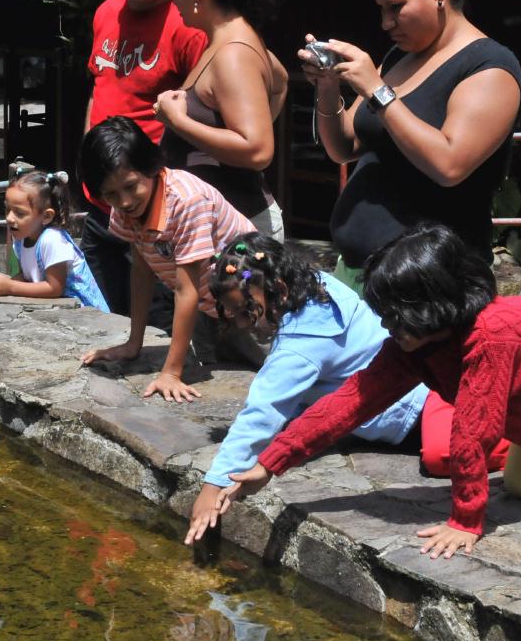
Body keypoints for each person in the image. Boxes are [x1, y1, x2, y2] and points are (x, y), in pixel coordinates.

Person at [219, 224, 521, 561]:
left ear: (434, 306)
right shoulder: (413, 341)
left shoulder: (492, 334)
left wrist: (466, 520)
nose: (385, 325)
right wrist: (268, 464)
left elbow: (472, 432)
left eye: (394, 314)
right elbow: (349, 401)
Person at [301, 0, 521, 280]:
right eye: (381, 9)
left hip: (429, 287)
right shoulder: (398, 57)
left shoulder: (491, 67)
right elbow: (343, 148)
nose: (385, 23)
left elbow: (449, 165)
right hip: (363, 273)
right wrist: (328, 88)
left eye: (396, 8)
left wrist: (377, 90)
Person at [183, 232, 431, 546]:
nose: (243, 324)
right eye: (232, 313)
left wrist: (212, 486)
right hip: (413, 388)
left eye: (247, 310)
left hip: (409, 418)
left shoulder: (301, 344)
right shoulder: (317, 285)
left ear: (279, 289)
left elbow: (262, 412)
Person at [82, 0, 208, 315]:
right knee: (103, 315)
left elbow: (207, 103)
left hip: (151, 207)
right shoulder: (105, 12)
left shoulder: (186, 24)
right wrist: (88, 158)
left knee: (156, 322)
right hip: (101, 202)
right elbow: (98, 88)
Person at [79, 116, 258, 403]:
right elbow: (141, 270)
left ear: (150, 167)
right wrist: (133, 343)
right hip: (208, 307)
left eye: (131, 186)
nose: (124, 201)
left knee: (271, 372)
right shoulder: (125, 209)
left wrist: (171, 373)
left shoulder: (187, 201)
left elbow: (185, 289)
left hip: (251, 303)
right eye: (111, 194)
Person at [155, 0, 289, 237]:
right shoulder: (231, 41)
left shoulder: (233, 54)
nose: (172, 1)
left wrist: (177, 120)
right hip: (223, 225)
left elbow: (257, 151)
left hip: (239, 235)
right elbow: (280, 82)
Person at [0, 169, 109, 312]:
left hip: (84, 311)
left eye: (19, 213)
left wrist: (10, 287)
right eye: (7, 209)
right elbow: (27, 276)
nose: (9, 218)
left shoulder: (52, 239)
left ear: (46, 216)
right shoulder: (21, 238)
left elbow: (54, 288)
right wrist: (3, 282)